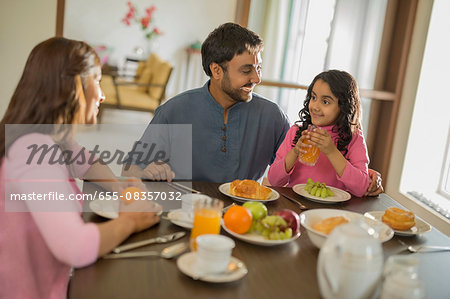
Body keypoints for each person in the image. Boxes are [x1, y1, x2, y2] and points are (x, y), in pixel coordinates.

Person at [122, 22, 383, 195]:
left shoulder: (272, 116)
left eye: (258, 68)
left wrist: (363, 175)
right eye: (246, 70)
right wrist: (147, 169)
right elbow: (130, 168)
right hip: (184, 216)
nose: (256, 78)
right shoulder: (173, 111)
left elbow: (293, 167)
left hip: (248, 218)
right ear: (216, 70)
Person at [0, 37, 160, 298]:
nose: (103, 94)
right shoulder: (32, 150)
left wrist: (119, 188)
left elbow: (88, 163)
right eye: (97, 81)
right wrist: (129, 222)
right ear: (74, 85)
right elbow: (73, 246)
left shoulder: (50, 138)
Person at [268, 70, 370, 197]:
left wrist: (332, 152)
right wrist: (294, 153)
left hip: (333, 211)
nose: (315, 106)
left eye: (325, 102)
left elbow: (361, 188)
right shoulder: (296, 132)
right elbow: (274, 180)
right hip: (296, 204)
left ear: (344, 106)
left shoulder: (354, 138)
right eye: (313, 97)